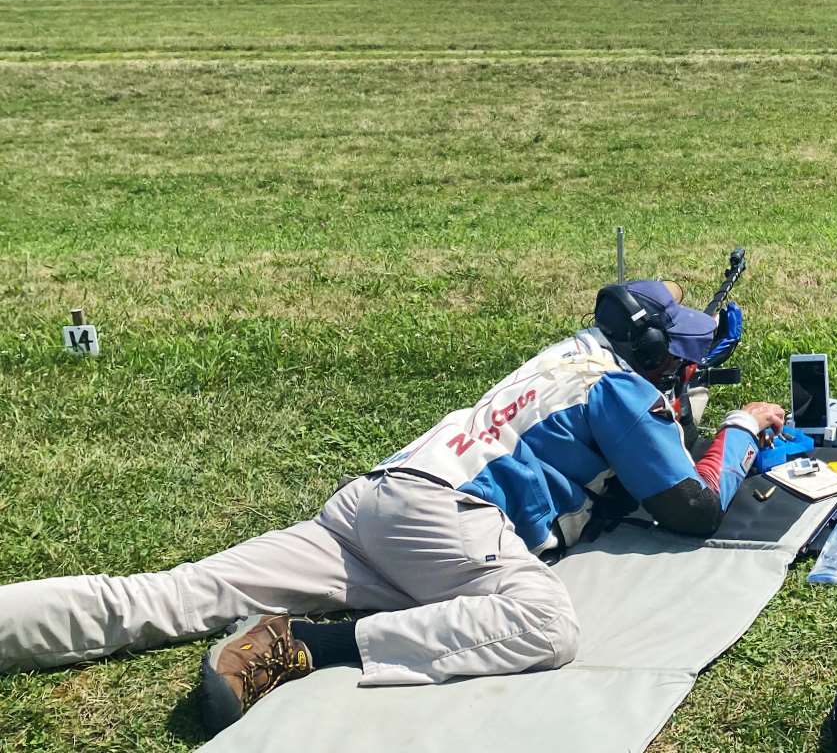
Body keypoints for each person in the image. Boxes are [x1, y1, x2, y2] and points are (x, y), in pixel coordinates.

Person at [0, 279, 786, 733]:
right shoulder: (625, 391)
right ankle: (309, 644)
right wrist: (741, 431)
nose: (692, 355)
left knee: (164, 594)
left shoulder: (575, 356)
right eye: (680, 344)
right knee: (546, 623)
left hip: (373, 504)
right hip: (446, 523)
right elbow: (694, 508)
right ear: (650, 347)